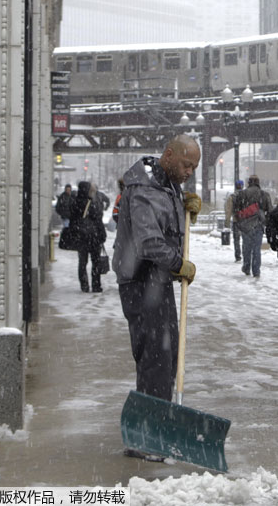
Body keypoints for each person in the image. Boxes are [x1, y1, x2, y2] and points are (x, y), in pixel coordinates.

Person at [113, 134, 200, 460]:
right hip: (141, 282)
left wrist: (186, 208)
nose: (189, 170)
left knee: (160, 357)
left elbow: (165, 226)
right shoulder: (146, 189)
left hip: (154, 281)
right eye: (186, 163)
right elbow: (149, 242)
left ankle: (144, 435)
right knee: (157, 359)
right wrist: (180, 264)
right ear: (168, 154)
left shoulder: (165, 184)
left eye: (194, 166)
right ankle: (148, 438)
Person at [68, 180, 108, 293]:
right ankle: (96, 285)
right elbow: (98, 220)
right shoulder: (92, 203)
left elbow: (72, 220)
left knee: (82, 262)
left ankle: (84, 285)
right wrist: (102, 235)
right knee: (95, 262)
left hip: (81, 237)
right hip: (93, 237)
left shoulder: (75, 203)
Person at [234, 175, 272, 277]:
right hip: (258, 225)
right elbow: (270, 211)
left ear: (249, 182)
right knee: (256, 249)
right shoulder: (264, 195)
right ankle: (256, 271)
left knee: (246, 248)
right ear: (258, 182)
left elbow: (236, 210)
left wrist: (240, 222)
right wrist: (265, 221)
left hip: (246, 226)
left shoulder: (242, 194)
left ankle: (246, 267)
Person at [224, 180, 244, 262]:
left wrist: (227, 222)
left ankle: (238, 256)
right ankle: (246, 254)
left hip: (236, 220)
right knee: (246, 239)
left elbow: (228, 210)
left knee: (236, 239)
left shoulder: (232, 196)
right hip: (246, 220)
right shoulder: (246, 195)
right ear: (242, 186)